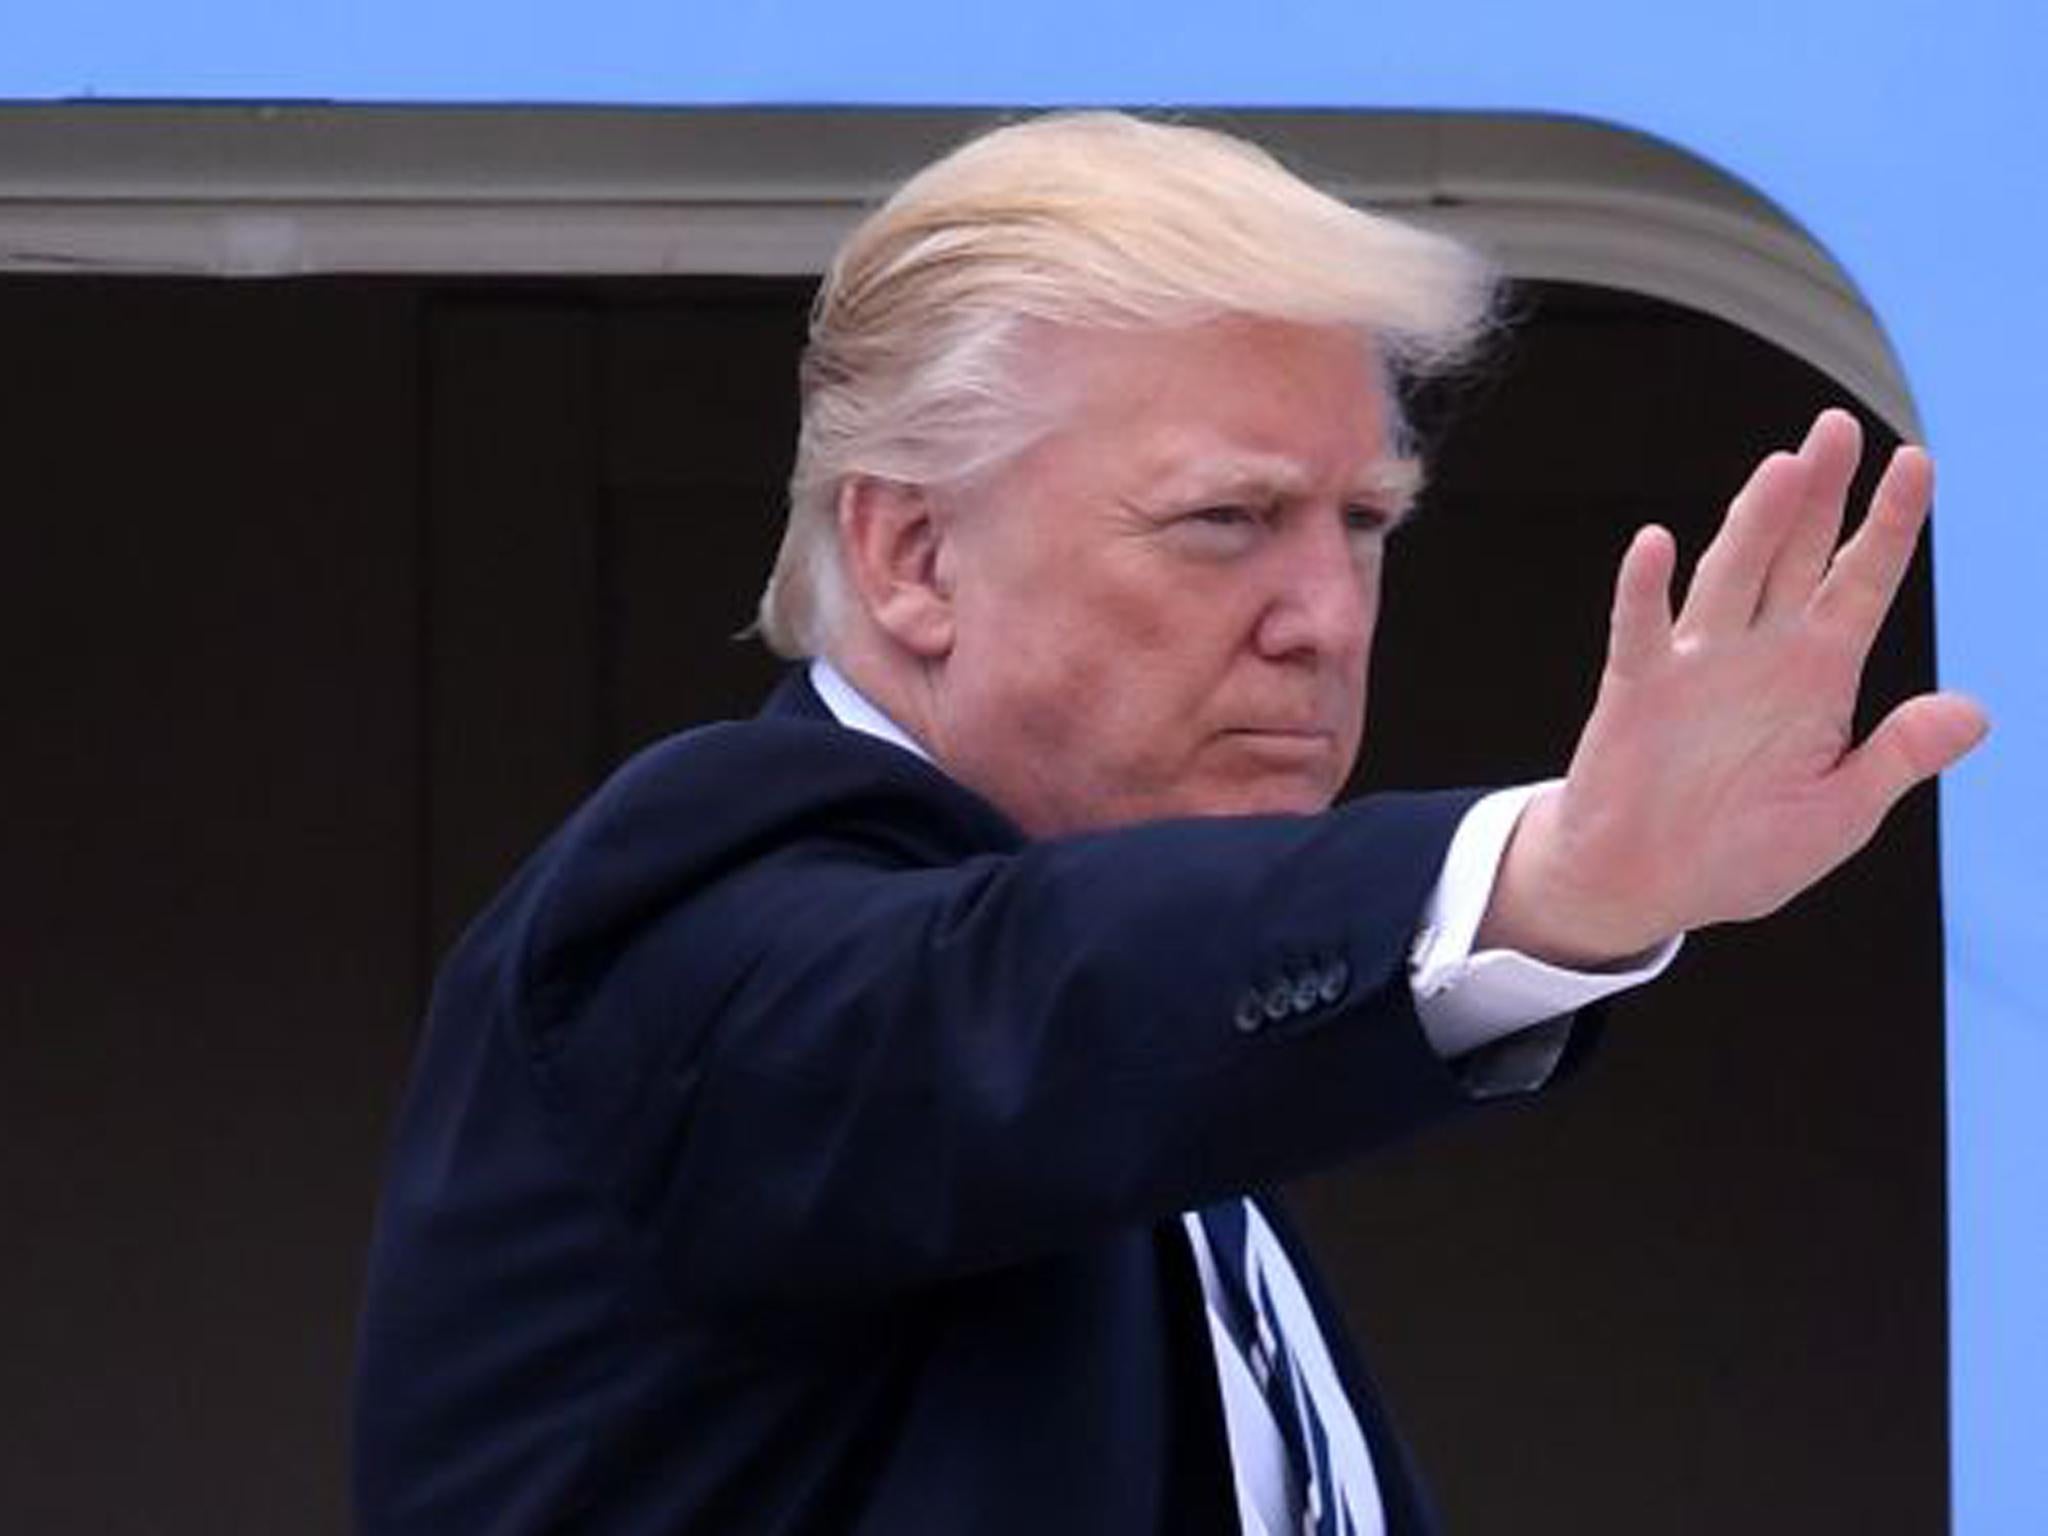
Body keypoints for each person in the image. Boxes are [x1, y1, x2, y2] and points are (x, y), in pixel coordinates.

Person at [351, 113, 1987, 1535]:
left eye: (1364, 525)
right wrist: (1548, 880)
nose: (1328, 617)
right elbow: (1008, 1002)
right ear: (916, 557)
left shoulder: (1156, 1139)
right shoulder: (701, 914)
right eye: (1229, 520)